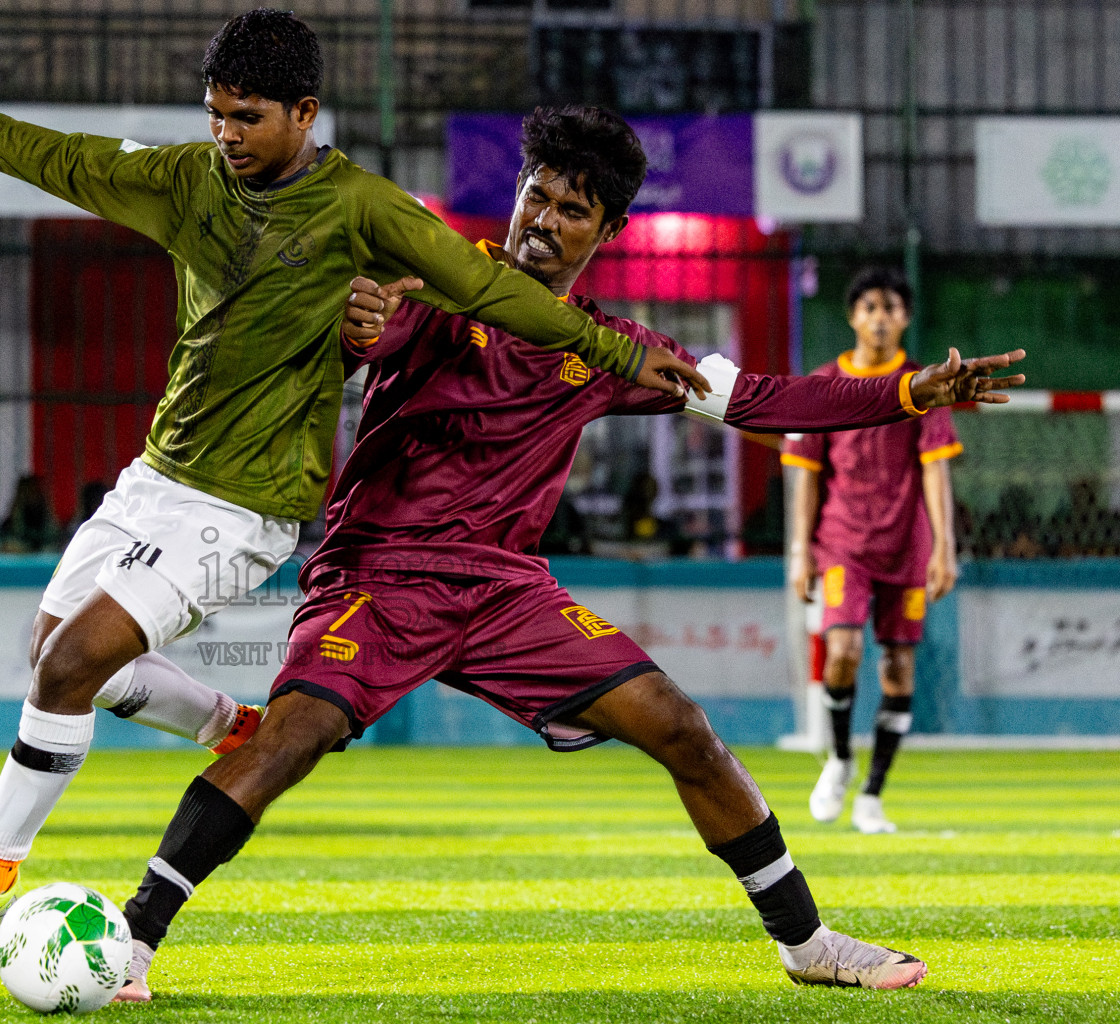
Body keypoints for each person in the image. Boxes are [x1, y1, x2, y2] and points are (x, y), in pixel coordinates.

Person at [111, 107, 1026, 999]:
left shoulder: (612, 352)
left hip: (505, 594)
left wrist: (907, 391)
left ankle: (807, 941)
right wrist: (355, 324)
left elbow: (761, 400)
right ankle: (134, 939)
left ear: (611, 229)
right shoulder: (433, 287)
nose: (543, 220)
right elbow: (353, 334)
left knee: (682, 727)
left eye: (571, 209)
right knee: (294, 738)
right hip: (381, 574)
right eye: (534, 195)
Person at [0, 9, 711, 944]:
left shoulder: (363, 207)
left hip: (247, 506)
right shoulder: (187, 179)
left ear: (305, 112)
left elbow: (492, 290)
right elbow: (61, 158)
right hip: (158, 475)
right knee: (52, 652)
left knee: (68, 665)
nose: (226, 134)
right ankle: (232, 722)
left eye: (247, 117)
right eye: (217, 113)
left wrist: (609, 351)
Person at [785, 267, 964, 836]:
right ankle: (838, 759)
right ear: (852, 317)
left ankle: (872, 794)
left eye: (890, 307)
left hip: (906, 548)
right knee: (840, 651)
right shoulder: (823, 385)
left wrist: (944, 547)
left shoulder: (923, 386)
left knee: (898, 667)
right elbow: (808, 476)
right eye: (869, 307)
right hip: (842, 545)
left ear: (905, 318)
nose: (880, 317)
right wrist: (798, 550)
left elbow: (936, 470)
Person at [0, 474, 59, 553]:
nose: (32, 495)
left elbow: (54, 540)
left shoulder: (45, 515)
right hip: (19, 562)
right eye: (27, 491)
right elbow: (3, 548)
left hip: (43, 561)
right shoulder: (9, 523)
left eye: (34, 490)